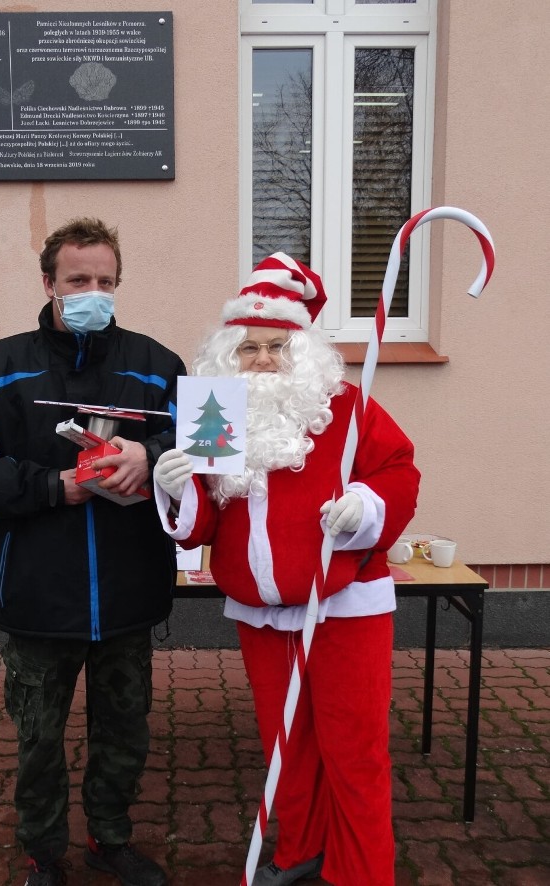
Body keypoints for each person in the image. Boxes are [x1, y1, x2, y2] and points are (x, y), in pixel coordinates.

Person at [0, 217, 184, 886]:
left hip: (131, 591)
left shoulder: (158, 368)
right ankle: (44, 853)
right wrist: (52, 485)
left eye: (104, 280)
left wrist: (150, 455)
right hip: (39, 593)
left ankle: (111, 838)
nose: (91, 291)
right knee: (39, 738)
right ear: (49, 283)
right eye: (77, 280)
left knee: (124, 730)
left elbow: (207, 446)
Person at [153, 253, 420, 886]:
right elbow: (201, 527)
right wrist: (174, 490)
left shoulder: (347, 407)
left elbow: (399, 471)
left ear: (303, 351)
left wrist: (364, 506)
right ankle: (300, 850)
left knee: (352, 751)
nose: (265, 359)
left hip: (344, 607)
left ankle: (360, 873)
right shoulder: (213, 414)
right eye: (249, 348)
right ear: (228, 356)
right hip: (260, 614)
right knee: (286, 746)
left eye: (278, 345)